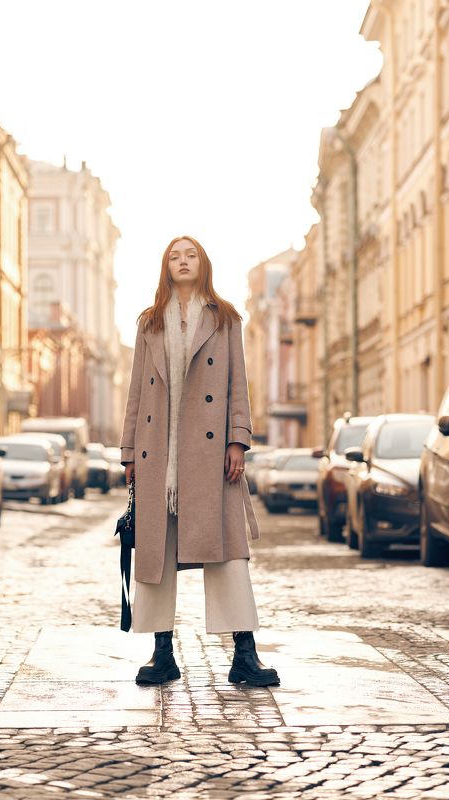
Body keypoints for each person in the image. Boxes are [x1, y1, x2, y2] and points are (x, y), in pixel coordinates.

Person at [120, 235, 279, 688]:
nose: (182, 261)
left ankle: (245, 656)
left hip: (210, 458)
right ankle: (161, 655)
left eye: (190, 255)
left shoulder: (225, 318)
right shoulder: (149, 323)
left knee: (229, 554)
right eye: (174, 256)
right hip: (158, 456)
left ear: (203, 264)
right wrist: (130, 453)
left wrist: (237, 440)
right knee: (155, 557)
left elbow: (237, 384)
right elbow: (136, 392)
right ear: (165, 266)